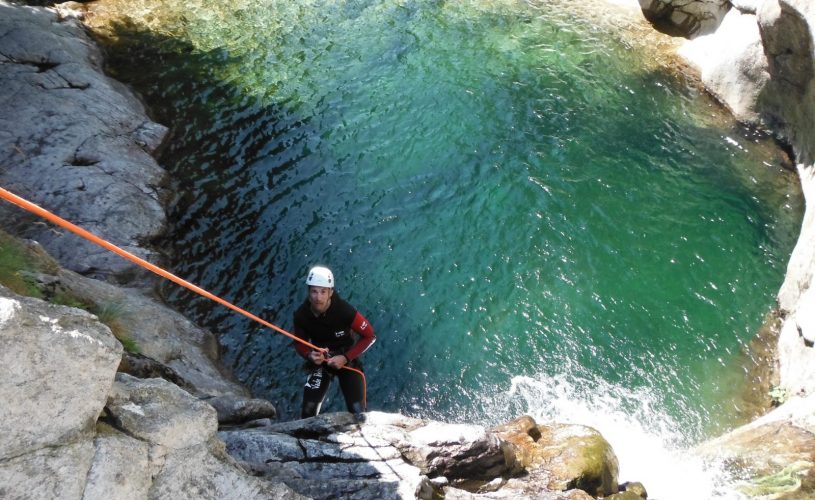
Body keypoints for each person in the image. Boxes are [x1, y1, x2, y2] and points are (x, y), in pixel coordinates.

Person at [293, 265, 376, 418]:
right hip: (321, 360)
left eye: (323, 291)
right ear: (308, 292)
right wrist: (309, 355)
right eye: (314, 291)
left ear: (331, 292)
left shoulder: (345, 312)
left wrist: (345, 358)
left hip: (347, 360)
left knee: (359, 413)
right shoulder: (301, 315)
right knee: (308, 412)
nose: (318, 297)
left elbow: (369, 336)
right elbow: (299, 343)